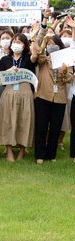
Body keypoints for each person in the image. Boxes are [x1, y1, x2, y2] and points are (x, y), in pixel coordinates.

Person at [0, 33, 37, 162]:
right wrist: (8, 72)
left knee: (24, 120)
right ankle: (9, 150)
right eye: (15, 41)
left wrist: (33, 38)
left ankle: (22, 150)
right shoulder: (5, 59)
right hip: (9, 91)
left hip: (25, 92)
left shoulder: (28, 58)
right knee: (8, 120)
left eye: (20, 42)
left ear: (25, 45)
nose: (17, 44)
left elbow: (35, 55)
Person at [31, 33, 72, 163]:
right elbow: (38, 56)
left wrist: (65, 71)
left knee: (55, 128)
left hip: (59, 98)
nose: (52, 47)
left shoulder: (67, 60)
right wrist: (43, 43)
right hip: (43, 96)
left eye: (54, 45)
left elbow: (69, 79)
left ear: (60, 47)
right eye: (50, 45)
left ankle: (51, 155)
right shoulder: (45, 59)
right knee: (41, 127)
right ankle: (40, 155)